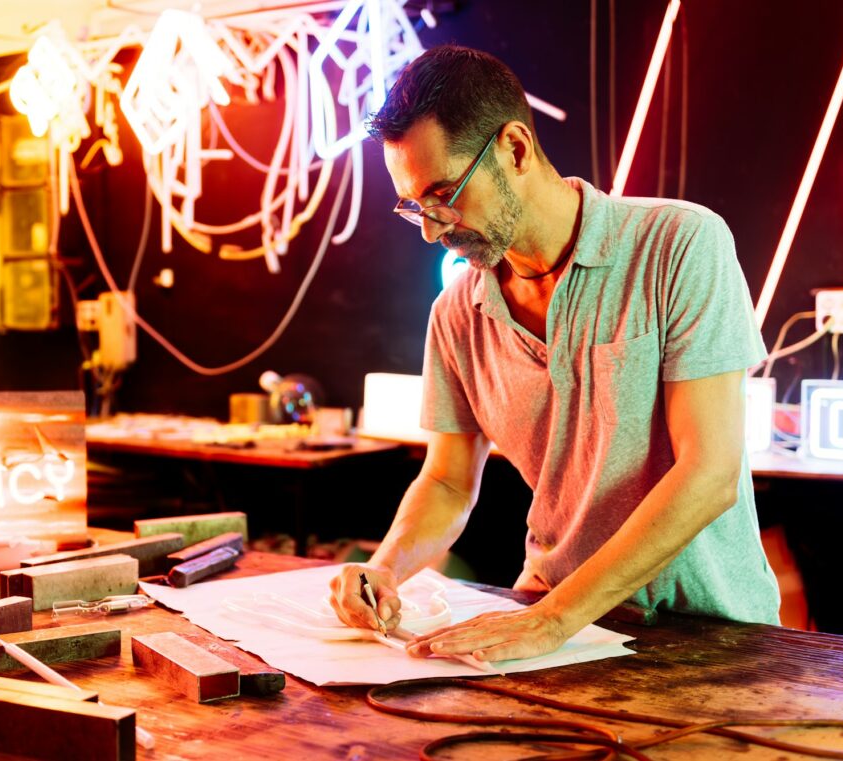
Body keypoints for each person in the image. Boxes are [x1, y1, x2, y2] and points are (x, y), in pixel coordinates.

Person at [329, 45, 780, 663]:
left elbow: (709, 474)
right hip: (552, 624)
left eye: (443, 194)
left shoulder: (680, 244)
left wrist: (552, 620)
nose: (433, 229)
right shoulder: (457, 312)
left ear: (515, 149)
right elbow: (446, 480)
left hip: (707, 632)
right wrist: (385, 567)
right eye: (415, 208)